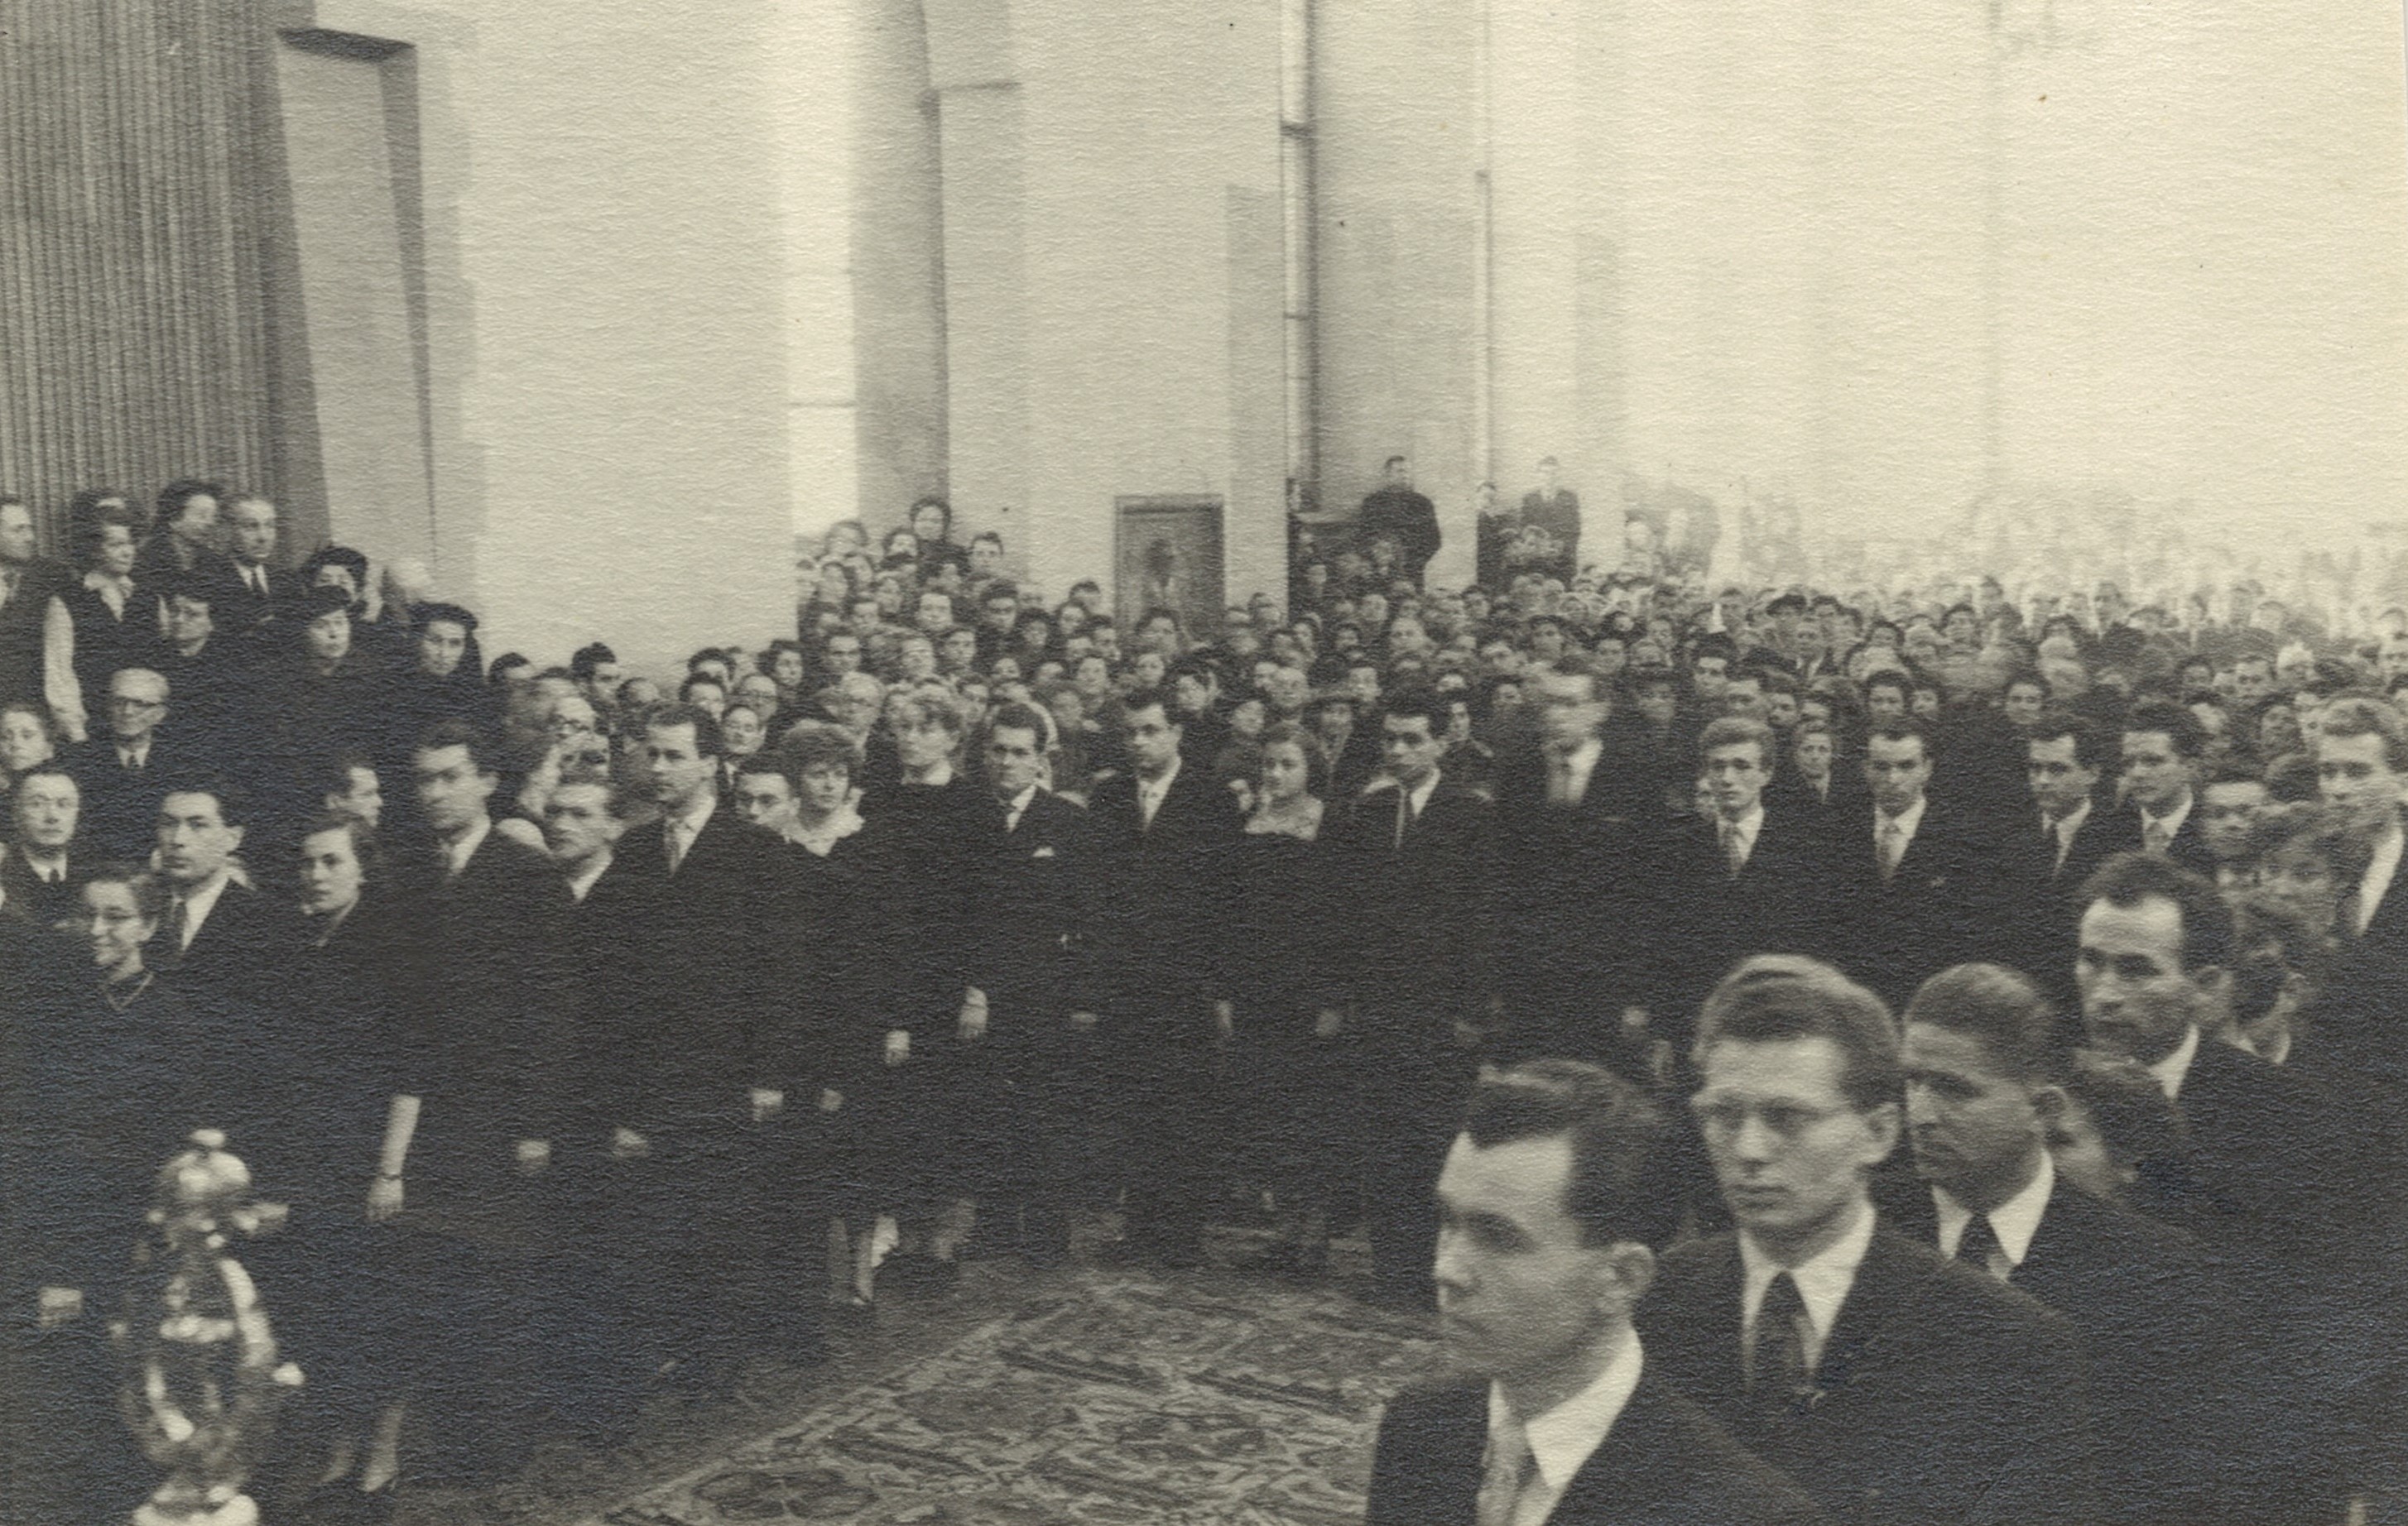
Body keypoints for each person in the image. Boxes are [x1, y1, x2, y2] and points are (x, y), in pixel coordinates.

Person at [1638, 955, 2099, 1526]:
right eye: (1724, 1115)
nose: (1748, 1149)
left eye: (1787, 1117)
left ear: (1877, 1133)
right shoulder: (1649, 1307)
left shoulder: (2008, 1345)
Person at [1367, 1060, 1821, 1526]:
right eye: (1448, 1222)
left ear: (1621, 1278)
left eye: (1498, 1238)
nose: (1446, 1269)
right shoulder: (1420, 1424)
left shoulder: (1742, 1512)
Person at [1890, 963, 2232, 1526]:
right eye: (1912, 1081)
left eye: (1954, 1089)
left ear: (2042, 1110)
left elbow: (2175, 1491)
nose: (1920, 1115)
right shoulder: (1865, 1229)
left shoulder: (2158, 1274)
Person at [1326, 687, 1497, 1308]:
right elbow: (1347, 913)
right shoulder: (1370, 811)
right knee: (1383, 1140)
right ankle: (1393, 1270)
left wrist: (1472, 1011)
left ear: (1441, 743)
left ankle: (1436, 1272)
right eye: (1390, 740)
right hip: (1379, 1005)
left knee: (1436, 1142)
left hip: (1440, 1009)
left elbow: (1483, 918)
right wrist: (1344, 995)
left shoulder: (1471, 814)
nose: (1397, 751)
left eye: (1412, 740)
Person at [1084, 686, 1242, 1268]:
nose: (1138, 742)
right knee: (1133, 1101)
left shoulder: (1211, 798)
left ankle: (1180, 1234)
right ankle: (1140, 1227)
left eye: (1150, 730)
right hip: (1125, 980)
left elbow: (1228, 901)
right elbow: (1096, 893)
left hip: (1186, 981)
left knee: (1183, 1105)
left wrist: (1220, 985)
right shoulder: (1109, 797)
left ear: (1176, 732)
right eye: (1130, 732)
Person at [1, 765, 84, 927]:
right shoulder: (3, 871)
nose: (52, 816)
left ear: (77, 813)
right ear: (15, 814)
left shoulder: (93, 872)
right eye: (37, 804)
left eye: (64, 804)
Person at [1359, 455, 1440, 586]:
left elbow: (1434, 540)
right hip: (1380, 567)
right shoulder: (1372, 502)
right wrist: (1381, 560)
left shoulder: (1422, 503)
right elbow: (1364, 536)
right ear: (1388, 475)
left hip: (1412, 568)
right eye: (1400, 471)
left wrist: (1414, 563)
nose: (1405, 475)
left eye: (1408, 471)